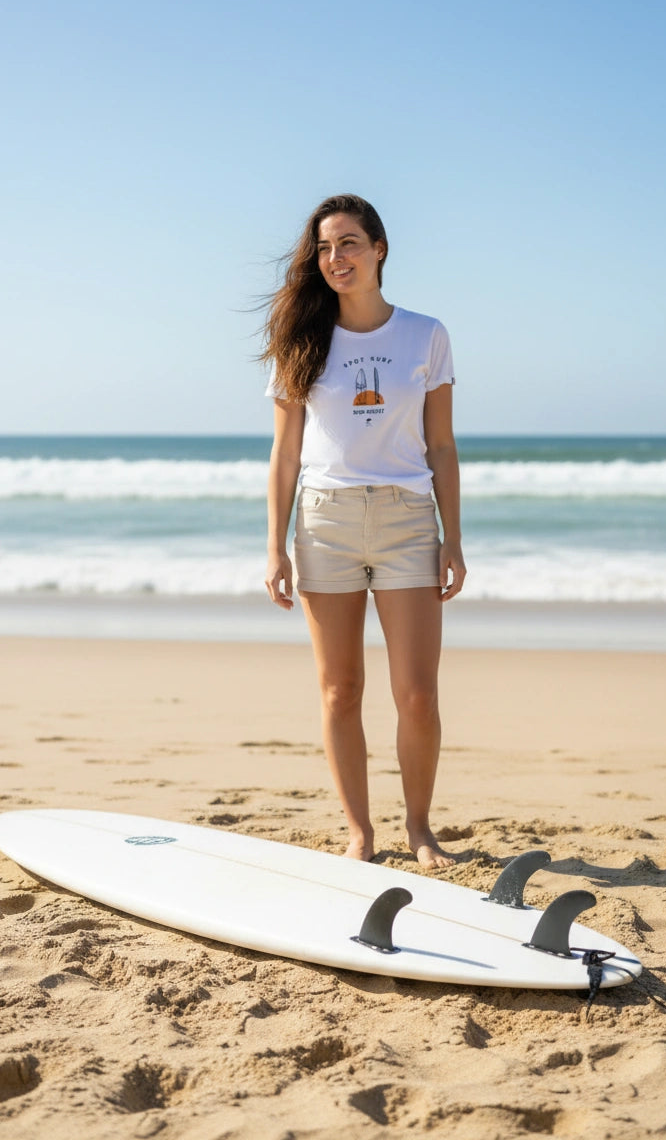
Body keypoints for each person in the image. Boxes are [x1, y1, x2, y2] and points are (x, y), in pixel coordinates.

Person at [262, 194, 466, 869]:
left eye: (348, 243)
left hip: (409, 520)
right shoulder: (303, 340)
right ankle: (360, 833)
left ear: (380, 248)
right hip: (326, 522)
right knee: (339, 689)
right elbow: (286, 454)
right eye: (324, 248)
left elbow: (441, 446)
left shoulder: (425, 334)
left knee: (417, 693)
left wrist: (453, 538)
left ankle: (419, 828)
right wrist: (274, 545)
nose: (335, 258)